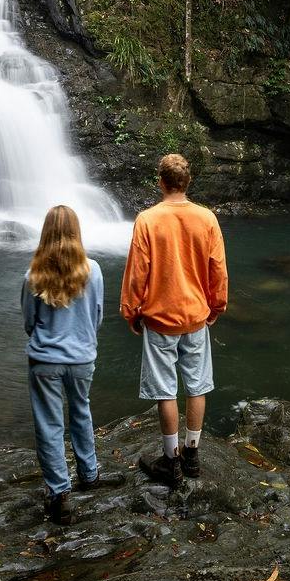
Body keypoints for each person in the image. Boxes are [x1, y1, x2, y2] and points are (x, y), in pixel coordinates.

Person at [120, 153, 228, 488]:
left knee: (165, 390)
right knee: (197, 385)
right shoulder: (206, 218)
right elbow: (218, 268)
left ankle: (171, 460)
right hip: (195, 316)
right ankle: (192, 455)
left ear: (161, 181)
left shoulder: (148, 220)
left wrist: (131, 310)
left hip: (160, 319)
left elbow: (138, 273)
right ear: (187, 181)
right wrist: (217, 306)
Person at [23, 204, 104, 526]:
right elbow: (97, 314)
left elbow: (29, 321)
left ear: (45, 233)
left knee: (50, 425)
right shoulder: (93, 270)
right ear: (76, 231)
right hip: (82, 357)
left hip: (44, 359)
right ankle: (89, 474)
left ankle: (60, 494)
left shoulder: (33, 274)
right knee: (81, 411)